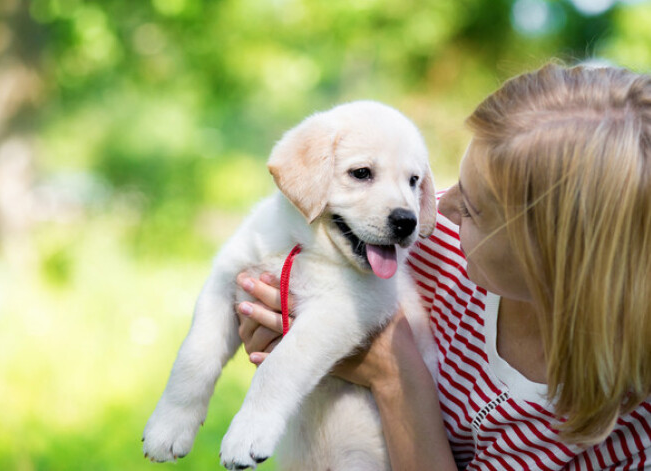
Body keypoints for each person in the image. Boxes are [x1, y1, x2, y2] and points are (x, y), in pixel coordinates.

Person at [235, 63, 651, 470]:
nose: (439, 211)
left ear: (552, 257)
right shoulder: (431, 249)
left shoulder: (628, 439)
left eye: (472, 209)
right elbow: (287, 282)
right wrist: (277, 328)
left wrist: (394, 376)